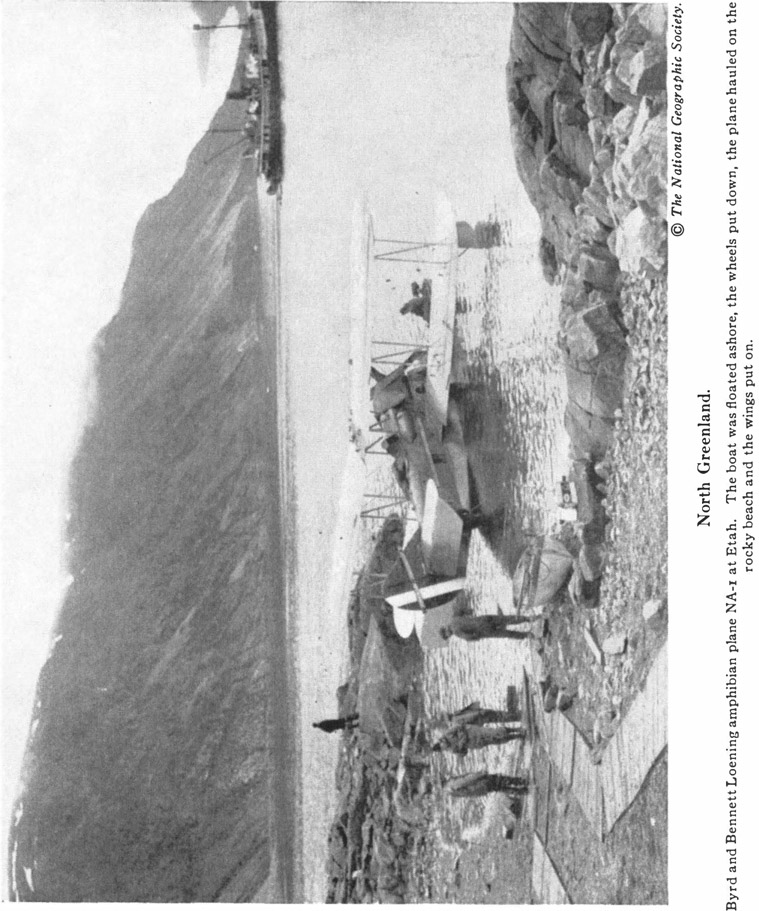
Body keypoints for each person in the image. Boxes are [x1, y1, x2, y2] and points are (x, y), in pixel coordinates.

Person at [432, 722, 525, 755]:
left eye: (442, 747)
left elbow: (459, 726)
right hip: (475, 743)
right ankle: (517, 736)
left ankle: (516, 729)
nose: (444, 748)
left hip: (474, 731)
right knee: (497, 741)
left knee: (495, 732)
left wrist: (461, 740)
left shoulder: (447, 734)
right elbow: (464, 752)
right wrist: (460, 751)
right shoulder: (450, 750)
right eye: (442, 750)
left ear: (440, 743)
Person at [439, 613, 535, 642]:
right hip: (483, 618)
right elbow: (466, 613)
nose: (449, 636)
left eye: (447, 636)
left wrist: (477, 637)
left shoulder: (456, 632)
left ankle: (527, 635)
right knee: (506, 619)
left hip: (483, 630)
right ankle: (527, 618)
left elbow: (469, 637)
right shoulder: (454, 618)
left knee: (505, 633)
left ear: (446, 632)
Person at [445, 771, 529, 799]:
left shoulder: (450, 792)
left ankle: (522, 792)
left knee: (499, 788)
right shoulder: (452, 783)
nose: (446, 775)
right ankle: (523, 782)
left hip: (479, 791)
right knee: (500, 780)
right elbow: (467, 780)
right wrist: (481, 773)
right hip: (481, 783)